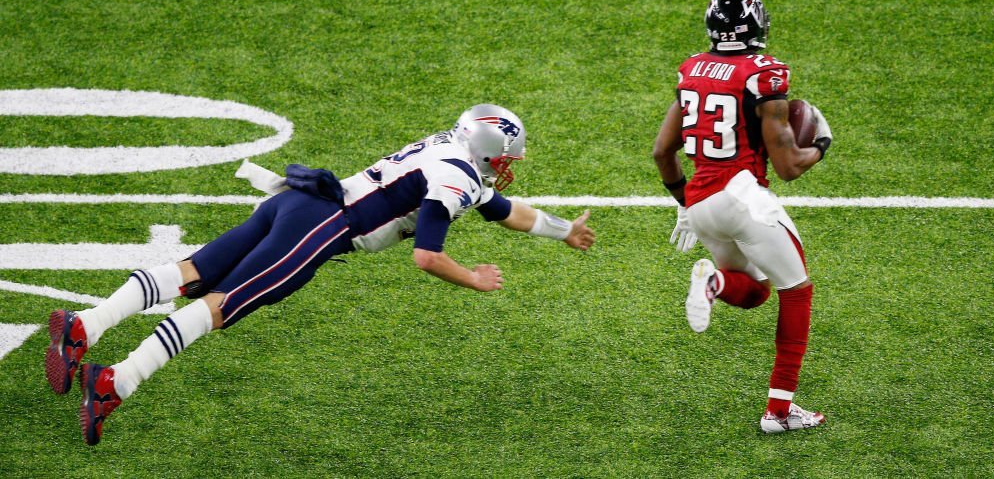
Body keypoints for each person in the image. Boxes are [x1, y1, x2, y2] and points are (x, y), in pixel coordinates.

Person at [46, 104, 595, 445]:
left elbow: (504, 209)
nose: (507, 167)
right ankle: (114, 382)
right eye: (507, 157)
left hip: (296, 204)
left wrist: (564, 228)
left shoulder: (451, 152)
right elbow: (426, 255)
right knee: (220, 304)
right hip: (325, 226)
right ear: (490, 149)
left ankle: (86, 326)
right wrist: (472, 278)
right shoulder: (455, 178)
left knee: (192, 270)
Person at [652, 0, 833, 433]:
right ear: (757, 24)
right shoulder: (764, 74)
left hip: (700, 202)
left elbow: (661, 152)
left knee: (753, 293)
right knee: (797, 290)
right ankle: (780, 411)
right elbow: (789, 167)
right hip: (743, 195)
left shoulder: (691, 69)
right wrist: (822, 146)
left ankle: (712, 281)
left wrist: (682, 203)